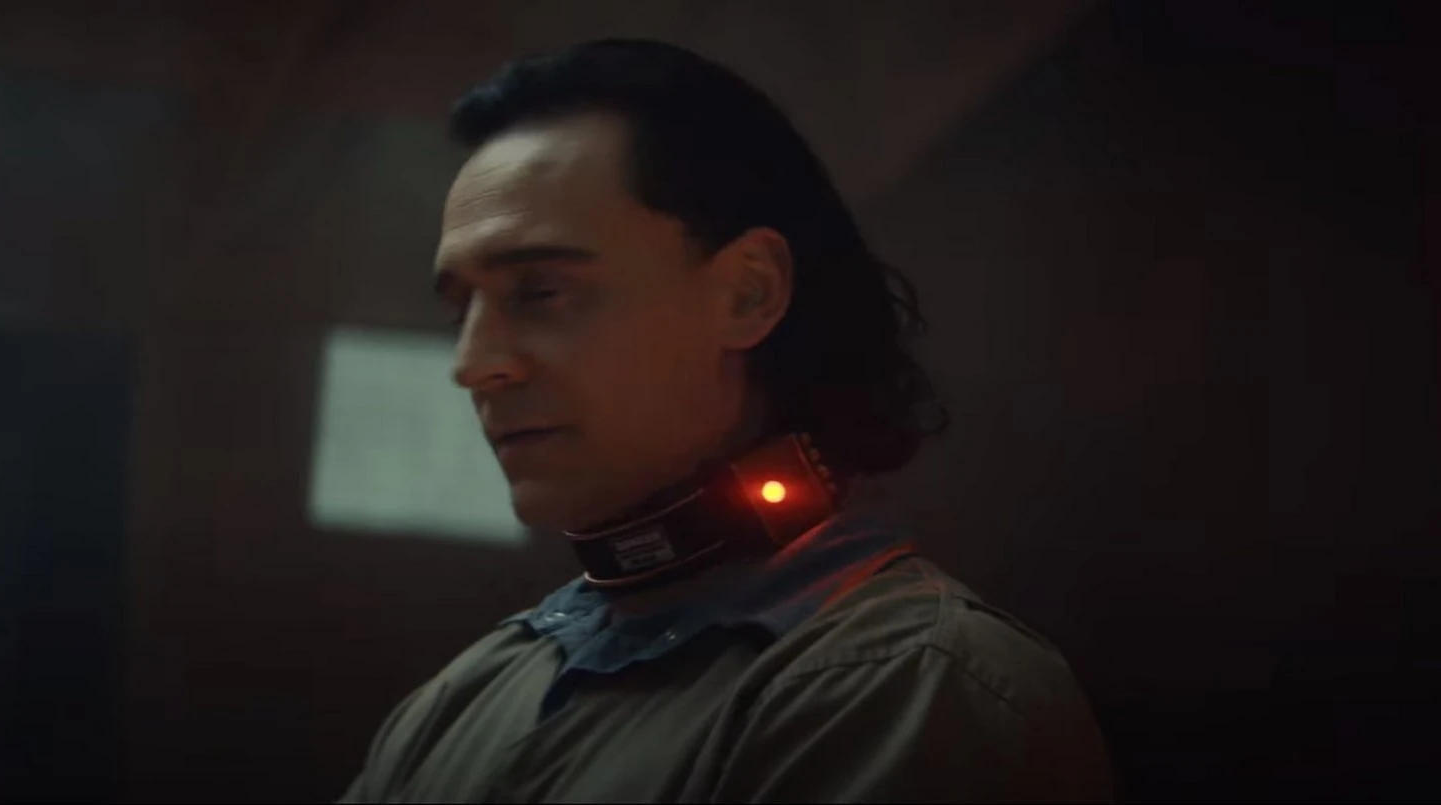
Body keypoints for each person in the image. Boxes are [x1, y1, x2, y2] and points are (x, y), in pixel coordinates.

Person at [339, 39, 1113, 803]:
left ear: (749, 292)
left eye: (540, 292)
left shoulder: (910, 688)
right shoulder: (464, 696)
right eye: (462, 310)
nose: (473, 363)